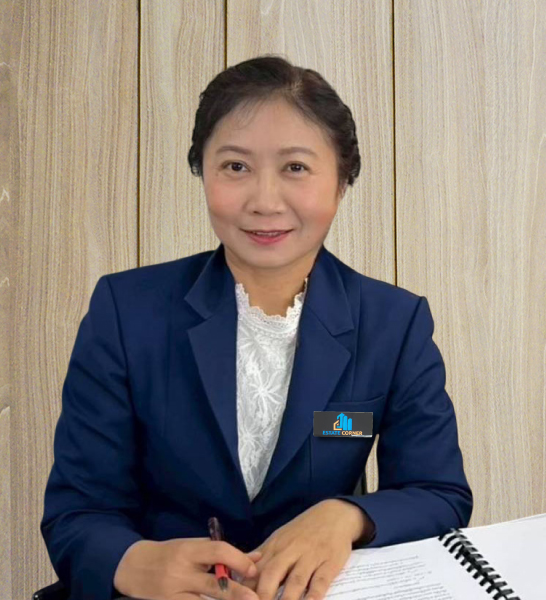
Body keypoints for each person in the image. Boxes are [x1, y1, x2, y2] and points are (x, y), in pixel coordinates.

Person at [41, 55, 472, 600]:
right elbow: (78, 512)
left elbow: (438, 493)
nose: (265, 202)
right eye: (236, 167)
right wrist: (134, 563)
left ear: (341, 182)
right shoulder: (127, 310)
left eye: (295, 168)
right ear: (202, 172)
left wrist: (347, 516)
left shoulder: (394, 323)